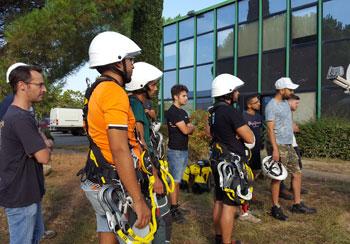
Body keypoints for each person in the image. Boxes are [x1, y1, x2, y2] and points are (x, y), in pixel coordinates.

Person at [79, 31, 151, 244]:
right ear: (118, 62)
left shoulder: (95, 90)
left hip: (99, 176)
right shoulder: (113, 92)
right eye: (130, 60)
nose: (133, 65)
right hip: (117, 179)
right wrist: (138, 199)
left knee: (107, 228)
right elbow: (119, 149)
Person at [0, 63, 52, 244]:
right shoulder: (19, 118)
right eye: (40, 85)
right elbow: (44, 157)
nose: (44, 90)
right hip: (20, 195)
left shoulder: (20, 115)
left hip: (28, 192)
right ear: (22, 86)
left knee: (34, 238)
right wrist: (45, 144)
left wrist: (41, 144)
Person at [125, 62, 172, 243]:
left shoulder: (135, 103)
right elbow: (139, 142)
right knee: (159, 217)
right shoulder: (136, 105)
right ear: (141, 86)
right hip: (145, 172)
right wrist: (155, 176)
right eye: (152, 84)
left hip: (142, 169)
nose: (155, 87)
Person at [209, 74, 255, 244]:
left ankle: (219, 238)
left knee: (219, 200)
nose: (237, 93)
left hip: (217, 159)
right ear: (228, 92)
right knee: (229, 205)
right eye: (235, 90)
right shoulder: (230, 111)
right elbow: (250, 138)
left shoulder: (213, 111)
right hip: (230, 163)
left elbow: (211, 134)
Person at [265, 77, 316, 221]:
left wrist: (291, 126)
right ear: (282, 90)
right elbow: (270, 129)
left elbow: (287, 118)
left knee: (297, 173)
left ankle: (297, 204)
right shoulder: (272, 106)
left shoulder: (285, 104)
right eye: (290, 89)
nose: (292, 92)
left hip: (288, 144)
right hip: (278, 145)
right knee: (278, 176)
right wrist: (275, 149)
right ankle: (275, 207)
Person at [165, 84, 195, 223]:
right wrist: (189, 127)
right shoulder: (172, 112)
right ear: (175, 97)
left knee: (177, 181)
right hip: (175, 151)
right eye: (184, 96)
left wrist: (189, 127)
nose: (186, 98)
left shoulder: (183, 112)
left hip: (183, 150)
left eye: (186, 96)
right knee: (174, 182)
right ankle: (173, 209)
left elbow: (190, 128)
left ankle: (175, 206)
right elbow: (185, 130)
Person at [239, 94, 263, 224]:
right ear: (249, 105)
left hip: (257, 152)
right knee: (245, 179)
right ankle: (243, 208)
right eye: (256, 102)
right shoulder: (242, 116)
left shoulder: (259, 117)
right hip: (246, 153)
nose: (259, 103)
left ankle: (247, 201)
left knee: (254, 175)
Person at [279, 94, 308, 197]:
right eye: (296, 103)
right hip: (284, 145)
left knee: (298, 167)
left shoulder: (288, 113)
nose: (297, 105)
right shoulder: (280, 112)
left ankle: (294, 187)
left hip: (293, 143)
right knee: (282, 168)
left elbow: (293, 127)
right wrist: (292, 127)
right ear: (289, 102)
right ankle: (281, 190)